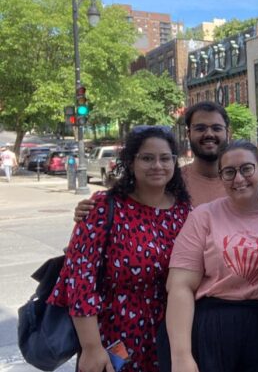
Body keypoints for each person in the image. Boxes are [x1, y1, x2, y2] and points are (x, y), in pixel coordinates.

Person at [48, 127, 191, 372]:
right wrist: (92, 348)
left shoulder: (183, 211)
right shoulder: (104, 207)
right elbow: (80, 280)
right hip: (114, 339)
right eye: (147, 158)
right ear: (131, 162)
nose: (157, 165)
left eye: (165, 158)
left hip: (169, 339)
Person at [162, 140, 258, 372]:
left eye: (246, 169)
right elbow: (180, 286)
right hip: (215, 328)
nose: (238, 179)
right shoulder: (204, 216)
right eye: (229, 172)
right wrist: (181, 355)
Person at [73, 102, 230, 221]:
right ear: (188, 134)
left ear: (228, 133)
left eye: (216, 128)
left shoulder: (247, 182)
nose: (209, 134)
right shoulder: (169, 181)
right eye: (200, 128)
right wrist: (93, 211)